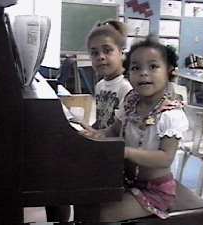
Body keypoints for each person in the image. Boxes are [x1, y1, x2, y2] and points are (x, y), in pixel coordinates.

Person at [80, 35, 189, 222]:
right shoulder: (131, 100)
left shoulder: (171, 114)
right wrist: (97, 134)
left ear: (169, 71)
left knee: (103, 214)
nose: (143, 73)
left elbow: (165, 158)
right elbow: (114, 130)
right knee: (86, 199)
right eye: (136, 68)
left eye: (153, 66)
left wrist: (126, 152)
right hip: (126, 179)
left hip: (155, 191)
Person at [86, 19, 133, 129]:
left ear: (122, 53)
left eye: (107, 50)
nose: (100, 57)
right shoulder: (100, 85)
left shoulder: (126, 88)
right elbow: (101, 122)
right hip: (103, 143)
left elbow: (123, 130)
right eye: (94, 53)